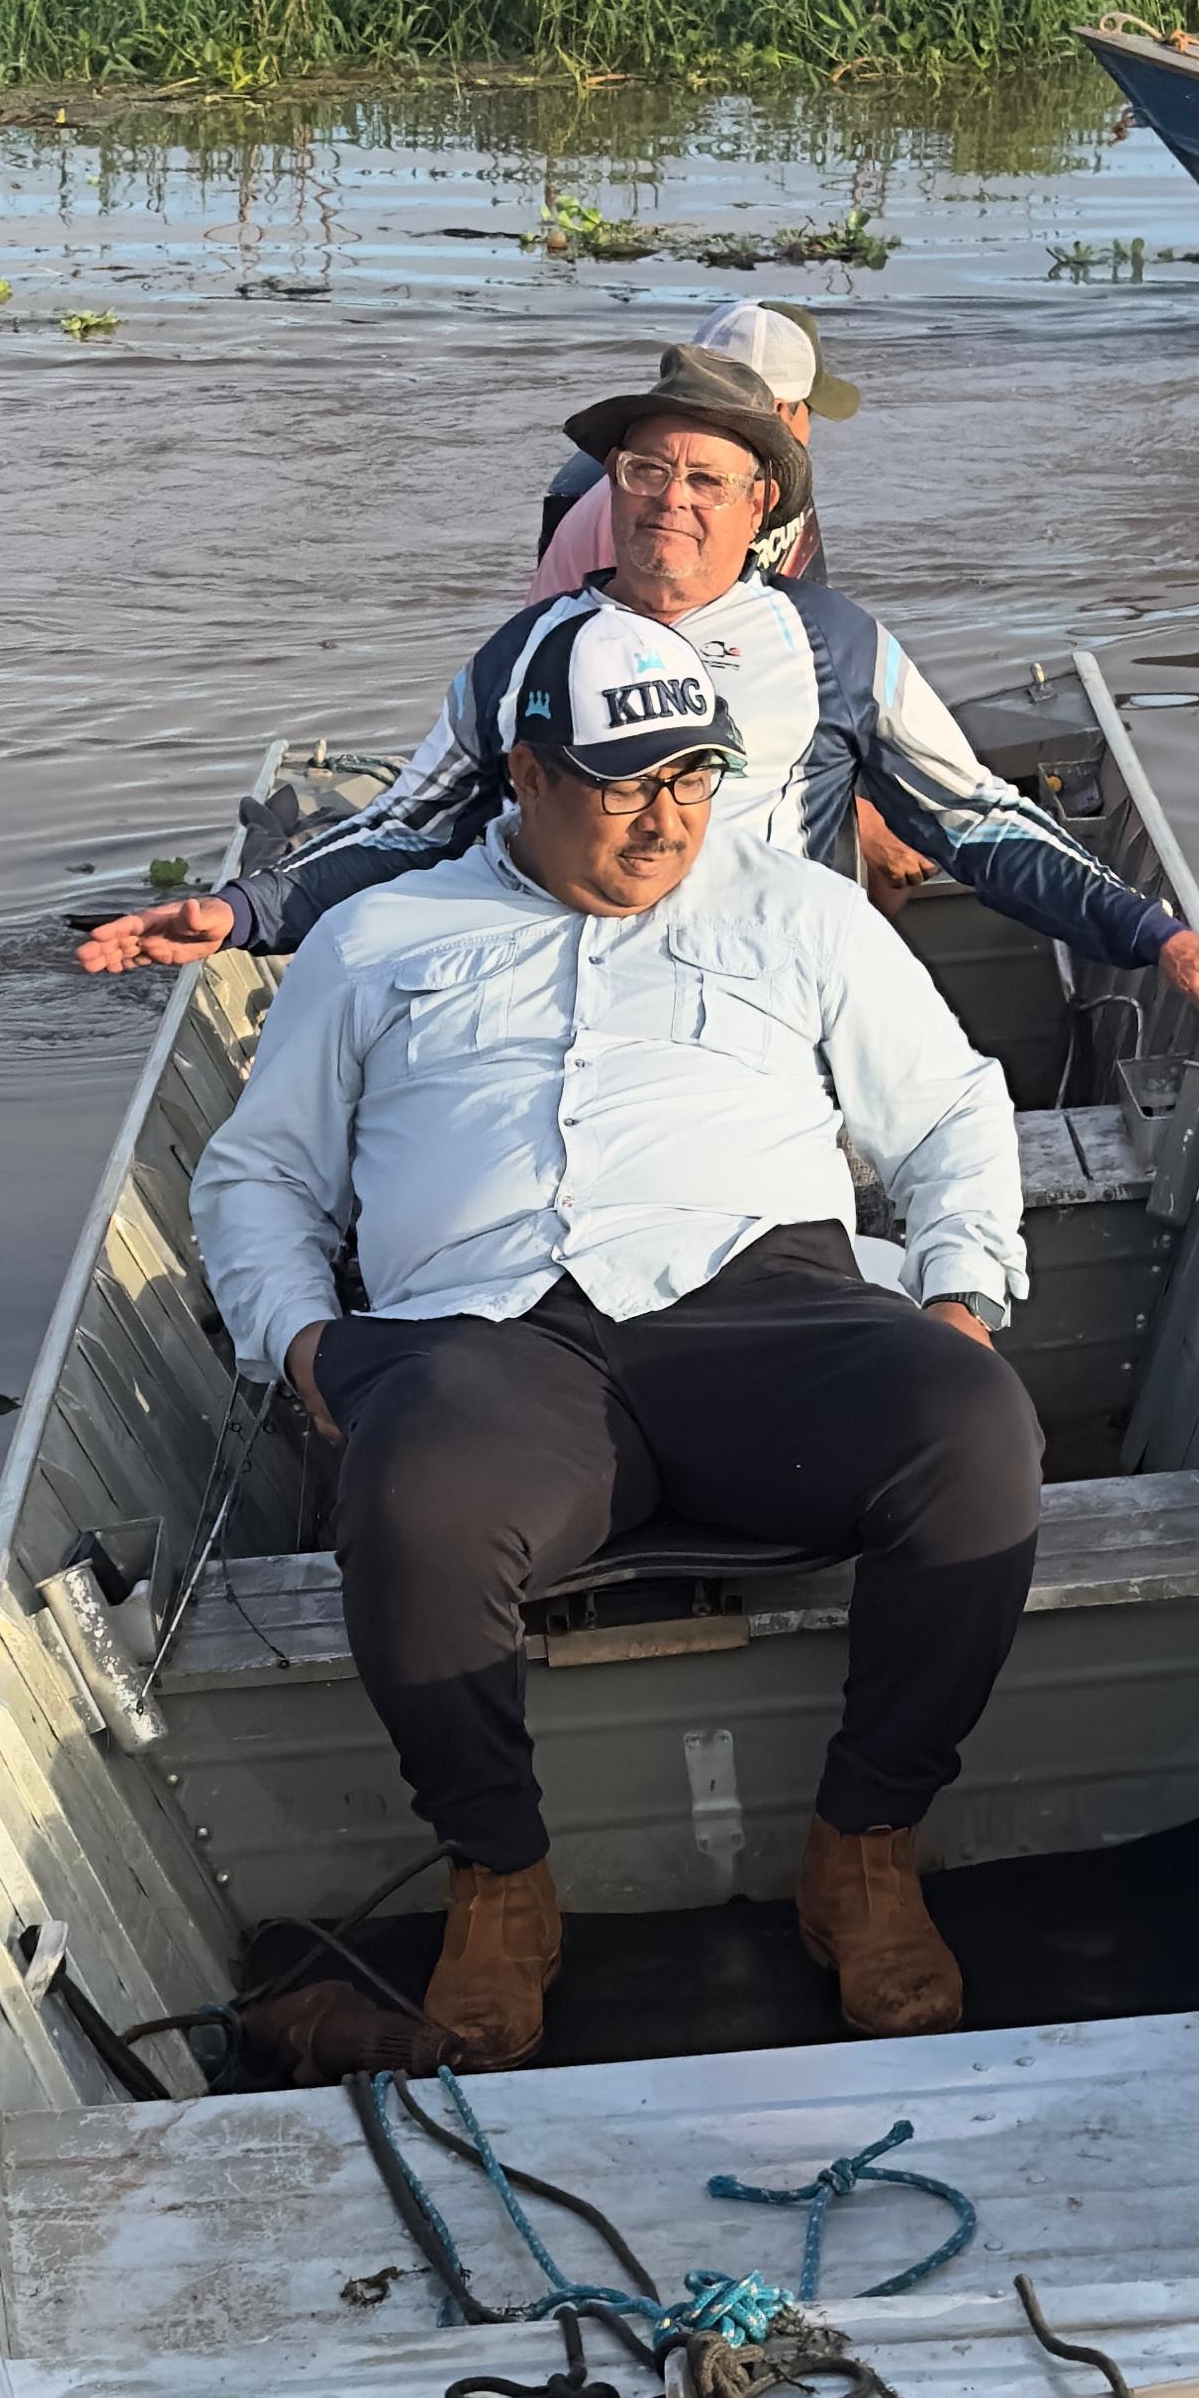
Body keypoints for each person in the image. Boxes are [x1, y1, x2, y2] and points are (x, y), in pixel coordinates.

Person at [191, 606, 1038, 2068]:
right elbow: (258, 1174)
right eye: (623, 784)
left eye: (695, 778)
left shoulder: (799, 913)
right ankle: (500, 1879)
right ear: (526, 771)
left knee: (973, 1429)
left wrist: (958, 1298)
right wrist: (308, 1350)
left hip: (768, 1313)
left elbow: (957, 1110)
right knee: (415, 1495)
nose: (667, 821)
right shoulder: (381, 939)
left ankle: (866, 1846)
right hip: (491, 1344)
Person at [80, 343, 1199, 1016]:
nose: (670, 499)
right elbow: (406, 824)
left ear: (763, 507)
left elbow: (977, 824)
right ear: (610, 488)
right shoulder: (527, 649)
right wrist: (242, 912)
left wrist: (1155, 935)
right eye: (646, 468)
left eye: (707, 478)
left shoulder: (833, 644)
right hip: (545, 988)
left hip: (769, 997)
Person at [532, 297, 852, 600]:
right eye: (809, 412)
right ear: (780, 412)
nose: (674, 496)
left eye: (705, 478)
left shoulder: (641, 486)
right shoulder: (662, 516)